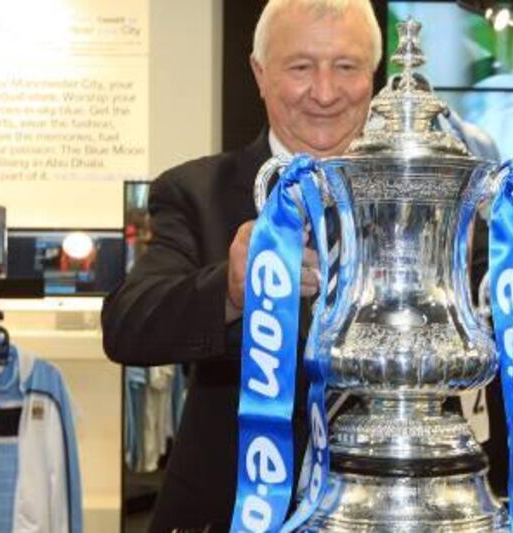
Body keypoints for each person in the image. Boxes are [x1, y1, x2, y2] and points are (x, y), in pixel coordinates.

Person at [101, 0, 382, 530]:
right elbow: (126, 324)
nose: (324, 92)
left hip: (388, 509)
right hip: (228, 507)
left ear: (372, 75)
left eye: (345, 67)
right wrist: (230, 291)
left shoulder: (425, 201)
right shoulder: (194, 192)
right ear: (259, 73)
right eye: (300, 67)